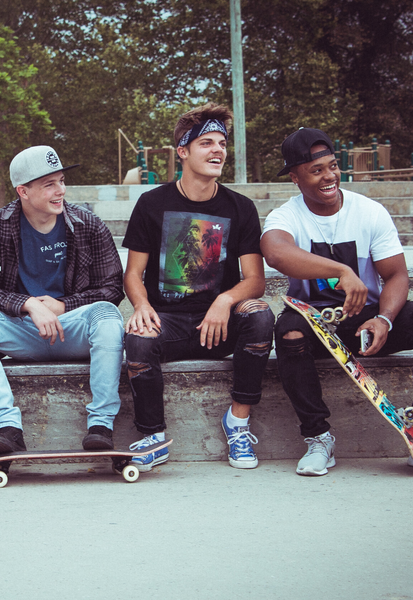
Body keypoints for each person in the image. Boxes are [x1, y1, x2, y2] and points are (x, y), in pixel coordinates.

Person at [122, 102, 275, 472]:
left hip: (220, 324)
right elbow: (132, 275)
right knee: (138, 338)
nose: (218, 150)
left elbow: (255, 280)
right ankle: (154, 437)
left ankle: (237, 423)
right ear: (183, 151)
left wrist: (225, 299)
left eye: (222, 143)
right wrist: (142, 307)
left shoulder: (240, 208)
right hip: (171, 322)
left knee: (260, 316)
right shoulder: (151, 203)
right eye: (206, 142)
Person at [261, 127, 413, 476]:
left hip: (368, 322)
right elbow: (275, 252)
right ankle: (319, 438)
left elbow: (396, 276)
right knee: (288, 331)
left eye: (332, 166)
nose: (329, 176)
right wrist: (342, 270)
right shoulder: (287, 216)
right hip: (314, 323)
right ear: (295, 178)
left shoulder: (369, 212)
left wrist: (386, 319)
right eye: (316, 171)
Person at [0, 145, 124, 455]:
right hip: (22, 330)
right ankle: (8, 427)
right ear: (23, 190)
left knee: (106, 314)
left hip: (71, 330)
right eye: (49, 184)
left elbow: (112, 287)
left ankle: (101, 426)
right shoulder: (0, 224)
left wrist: (64, 305)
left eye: (61, 181)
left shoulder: (88, 224)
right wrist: (28, 303)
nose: (60, 190)